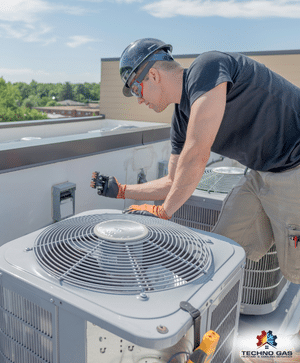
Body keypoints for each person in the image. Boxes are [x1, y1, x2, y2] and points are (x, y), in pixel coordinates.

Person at [93, 38, 300, 284]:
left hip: (294, 167)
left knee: (295, 270)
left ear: (154, 75)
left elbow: (197, 153)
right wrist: (122, 191)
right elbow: (174, 180)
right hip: (260, 172)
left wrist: (163, 211)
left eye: (136, 89)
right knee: (224, 248)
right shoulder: (181, 118)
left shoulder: (208, 67)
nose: (138, 100)